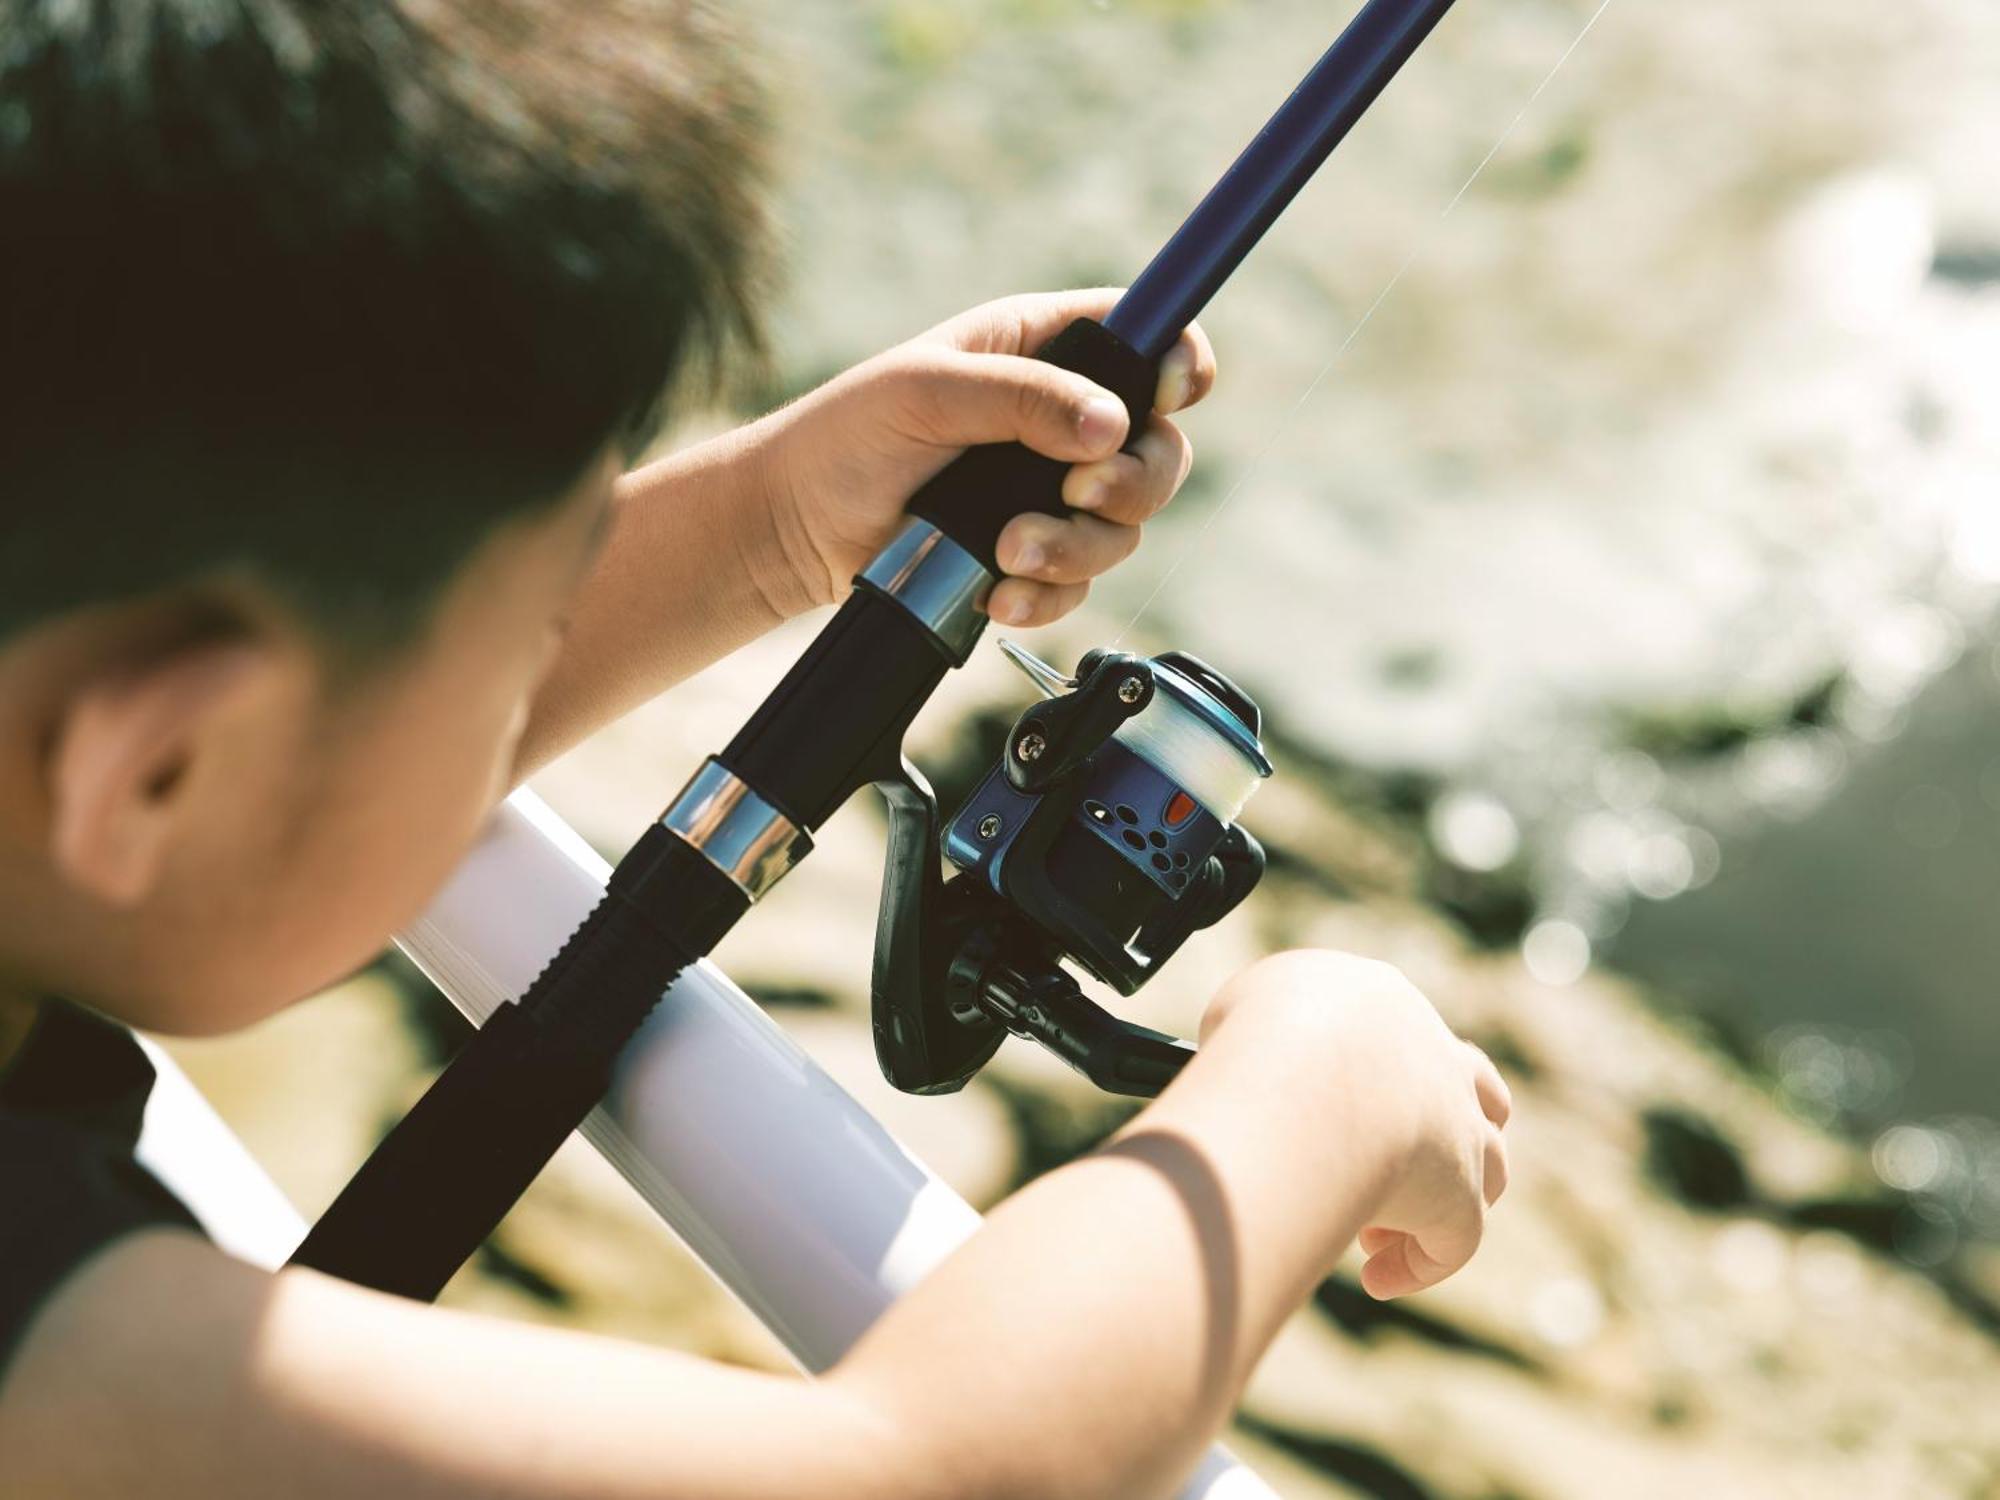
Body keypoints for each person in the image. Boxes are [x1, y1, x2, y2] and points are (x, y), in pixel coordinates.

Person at [0, 2, 1513, 1496]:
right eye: (535, 625)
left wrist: (775, 520)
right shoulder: (57, 1346)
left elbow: (269, 797)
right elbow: (939, 1470)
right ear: (153, 775)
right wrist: (1329, 1084)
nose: (542, 668)